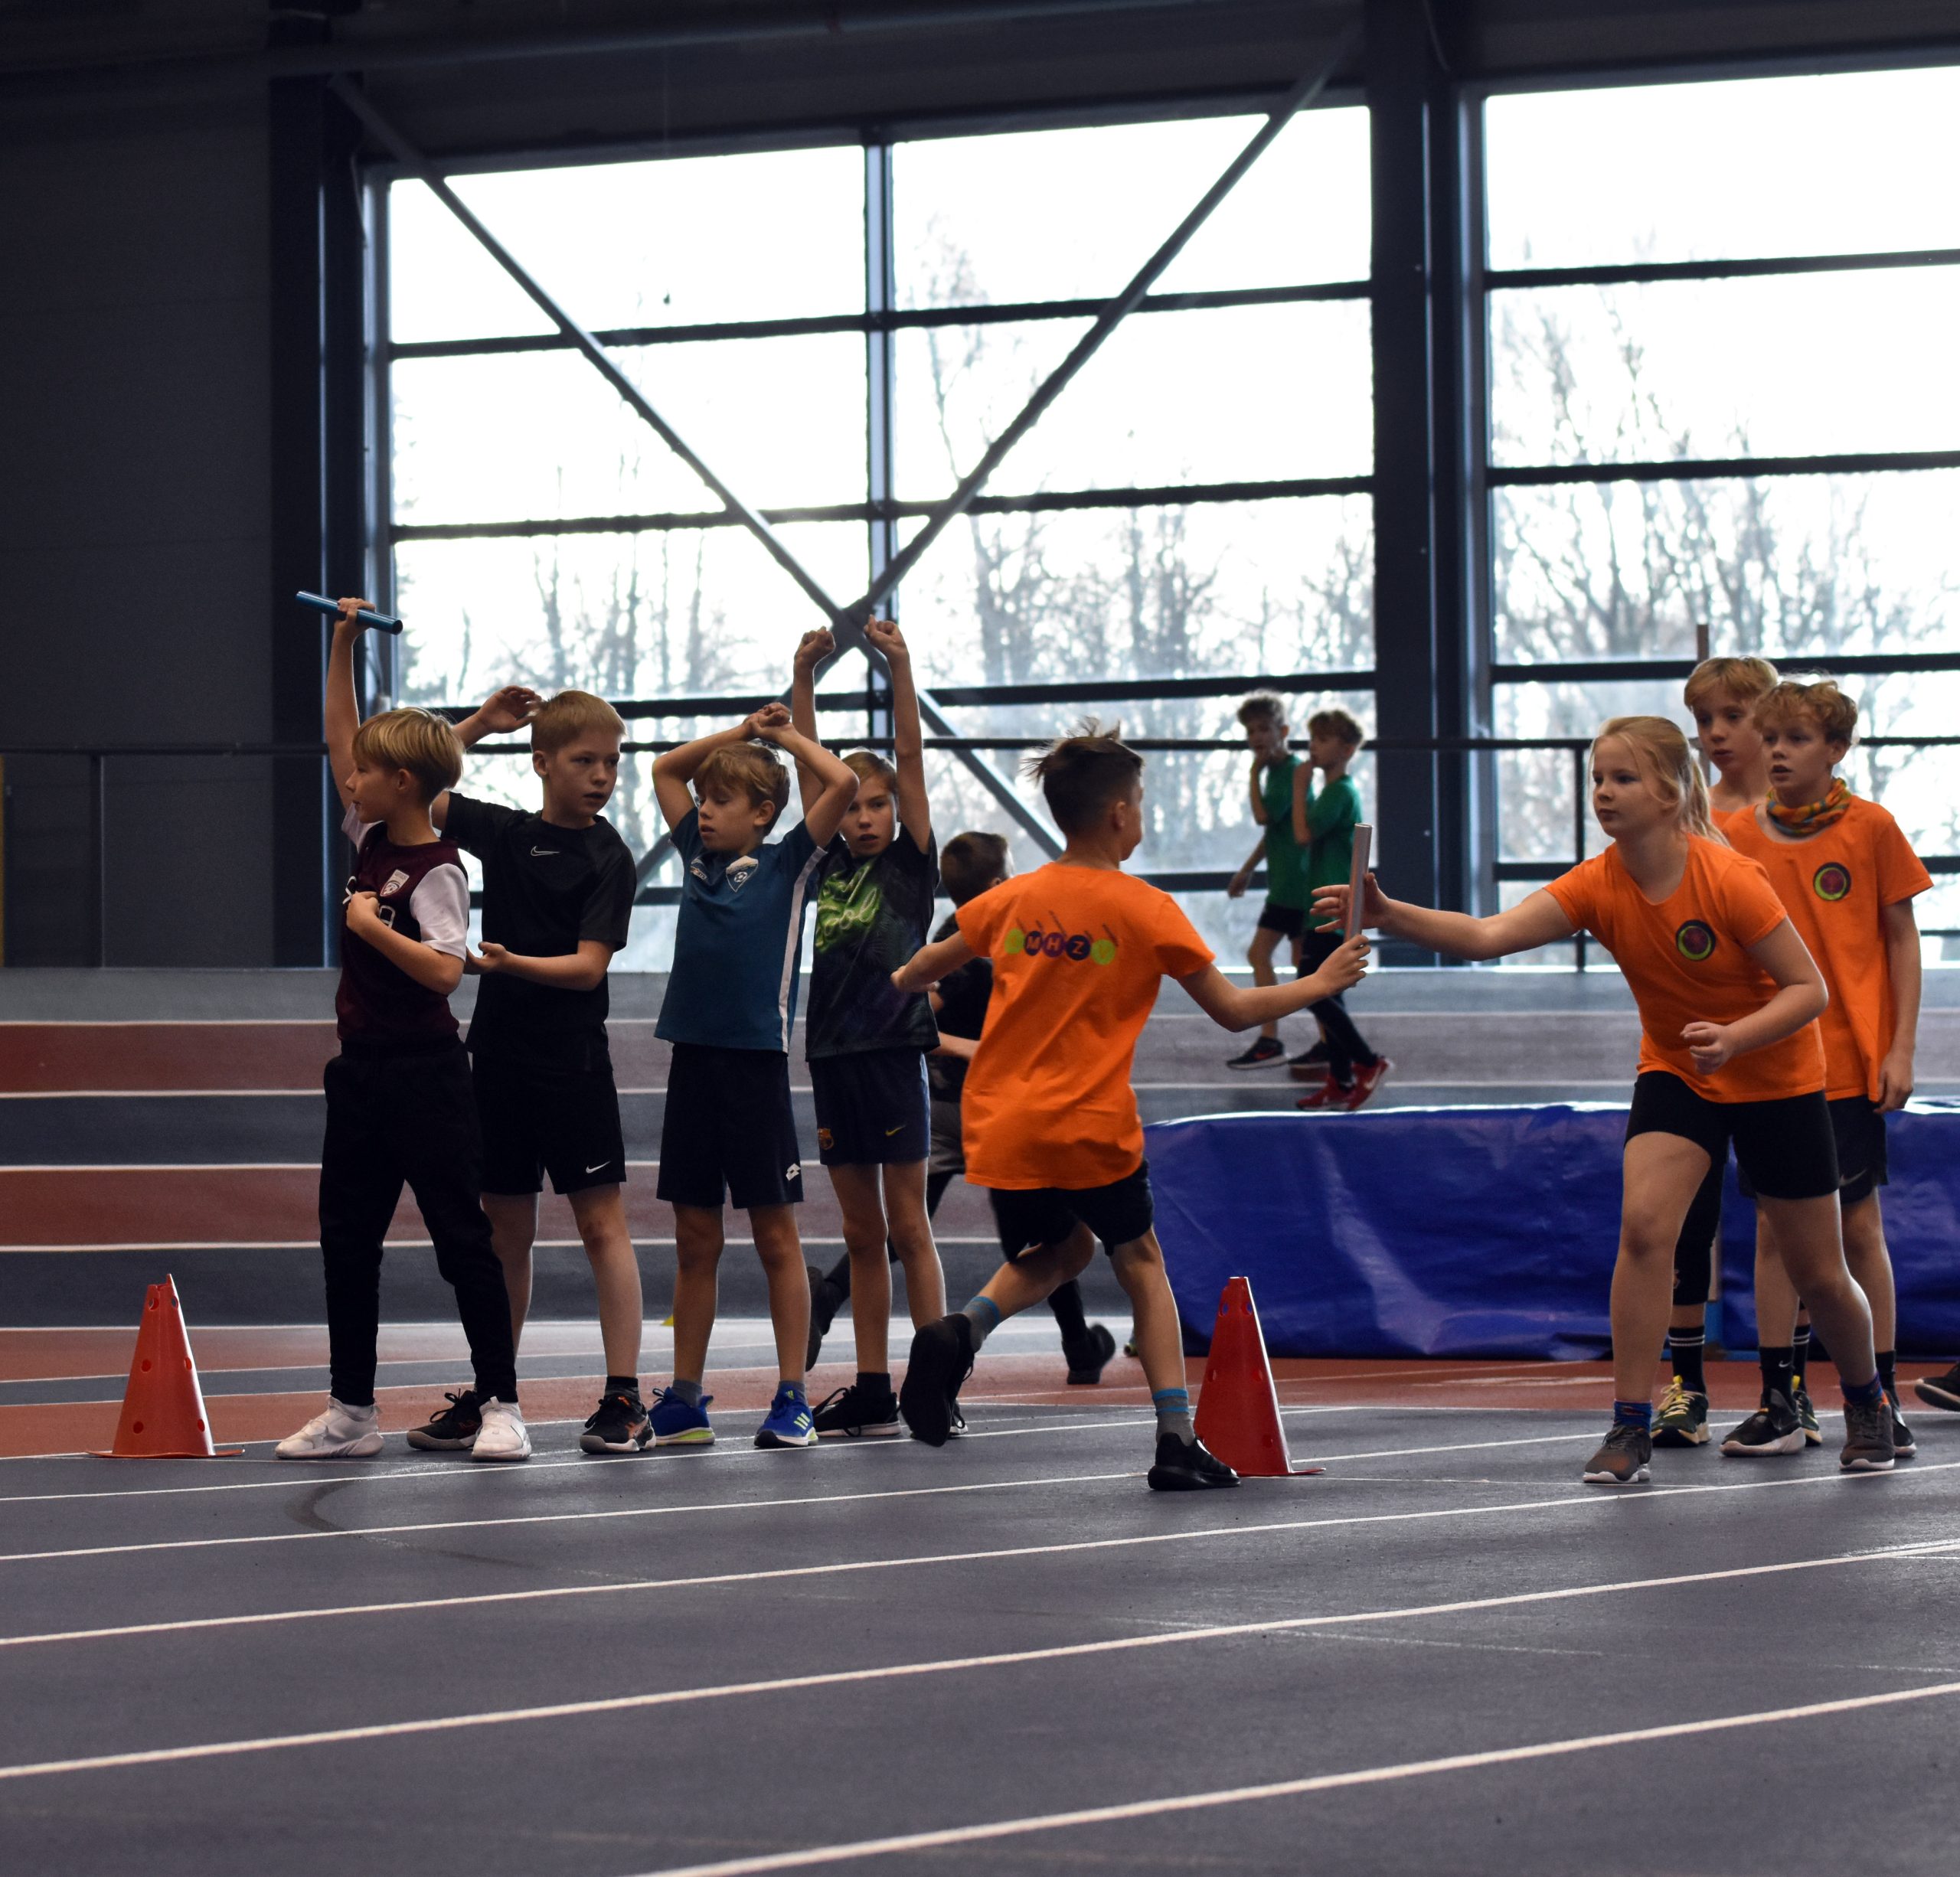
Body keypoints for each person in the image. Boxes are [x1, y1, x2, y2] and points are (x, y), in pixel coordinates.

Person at [1313, 715, 1895, 1486]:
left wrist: (1735, 1036)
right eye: (1597, 779)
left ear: (1670, 792)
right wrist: (1391, 915)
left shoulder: (1728, 878)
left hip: (1776, 1078)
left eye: (1623, 778)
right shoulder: (1597, 882)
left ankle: (1866, 1399)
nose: (1603, 793)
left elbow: (1807, 989)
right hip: (1679, 1071)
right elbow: (1487, 935)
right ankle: (1628, 1422)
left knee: (1818, 1272)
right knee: (1646, 1229)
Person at [890, 723, 1370, 1490]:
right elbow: (1235, 1011)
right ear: (1118, 814)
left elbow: (911, 975)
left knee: (1063, 1250)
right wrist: (1321, 981)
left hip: (1004, 1121)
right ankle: (1176, 1438)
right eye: (1140, 802)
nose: (1141, 815)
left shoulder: (1010, 898)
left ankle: (960, 1329)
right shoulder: (1145, 909)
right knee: (1141, 1260)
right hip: (1088, 1122)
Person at [277, 598, 526, 1464]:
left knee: (462, 1239)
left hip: (427, 1075)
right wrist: (342, 644)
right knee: (347, 1243)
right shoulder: (371, 834)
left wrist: (371, 927)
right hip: (362, 1074)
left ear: (406, 784)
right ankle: (351, 1410)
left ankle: (502, 1404)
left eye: (367, 772)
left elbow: (446, 971)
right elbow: (342, 736)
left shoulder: (437, 868)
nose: (350, 778)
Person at [402, 688, 643, 1458]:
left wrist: (510, 963)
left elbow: (588, 967)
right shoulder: (507, 834)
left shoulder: (610, 857)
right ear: (542, 763)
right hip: (500, 1060)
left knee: (601, 1225)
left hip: (573, 1063)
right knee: (505, 1231)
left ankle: (623, 1397)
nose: (601, 776)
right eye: (584, 761)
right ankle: (494, 1392)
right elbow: (418, 787)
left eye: (611, 763)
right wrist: (477, 725)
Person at [806, 831, 1118, 1391]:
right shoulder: (994, 938)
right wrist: (977, 1048)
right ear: (998, 884)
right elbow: (918, 1007)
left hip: (949, 1105)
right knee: (1040, 1237)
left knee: (908, 1227)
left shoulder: (954, 933)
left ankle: (827, 1298)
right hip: (990, 1108)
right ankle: (1076, 1345)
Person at [1720, 681, 1930, 1462]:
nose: (1777, 751)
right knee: (1773, 1232)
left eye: (1797, 739)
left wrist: (1900, 1047)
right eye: (1770, 737)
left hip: (1845, 1064)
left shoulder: (1872, 828)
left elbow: (1902, 940)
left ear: (1836, 750)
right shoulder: (1734, 834)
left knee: (1856, 1227)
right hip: (1768, 1064)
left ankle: (1881, 1400)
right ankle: (1780, 1401)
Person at [645, 700, 859, 1450]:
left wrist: (781, 736)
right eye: (703, 800)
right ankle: (684, 1399)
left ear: (763, 813)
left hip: (754, 1071)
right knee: (694, 1237)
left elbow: (842, 781)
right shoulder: (695, 857)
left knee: (774, 1235)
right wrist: (737, 733)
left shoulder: (789, 861)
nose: (703, 811)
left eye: (721, 800)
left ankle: (792, 1396)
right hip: (692, 1063)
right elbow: (663, 769)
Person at [785, 619, 948, 1439]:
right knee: (859, 1232)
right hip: (832, 1056)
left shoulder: (910, 862)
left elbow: (910, 756)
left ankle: (935, 1382)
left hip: (892, 1054)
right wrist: (802, 679)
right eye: (853, 807)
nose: (863, 818)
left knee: (908, 1225)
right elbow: (811, 771)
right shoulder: (829, 866)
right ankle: (875, 1385)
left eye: (877, 804)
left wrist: (900, 665)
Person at [1657, 655, 1781, 1447]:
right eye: (1704, 720)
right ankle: (1685, 1388)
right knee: (1683, 1221)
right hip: (1695, 1050)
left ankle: (1784, 1390)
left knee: (1785, 1227)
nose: (1715, 734)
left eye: (1733, 717)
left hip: (1780, 1050)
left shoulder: (1795, 816)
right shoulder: (1686, 818)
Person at [1290, 708, 1390, 1112]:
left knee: (1311, 986)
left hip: (1333, 908)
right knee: (1328, 992)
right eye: (1313, 737)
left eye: (1323, 739)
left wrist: (1299, 787)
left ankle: (1368, 1061)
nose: (1313, 745)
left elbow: (1302, 834)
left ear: (1346, 750)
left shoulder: (1339, 793)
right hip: (1323, 905)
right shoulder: (1332, 793)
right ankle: (1341, 1079)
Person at [1223, 693, 1315, 1071]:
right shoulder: (1279, 774)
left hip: (1296, 886)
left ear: (1283, 731)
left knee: (1266, 956)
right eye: (1250, 731)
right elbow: (1274, 834)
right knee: (1301, 966)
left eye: (1264, 729)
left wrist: (1251, 774)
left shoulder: (1289, 773)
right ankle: (1315, 1042)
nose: (1256, 737)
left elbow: (1262, 817)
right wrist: (1247, 869)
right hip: (1288, 883)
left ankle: (1273, 1040)